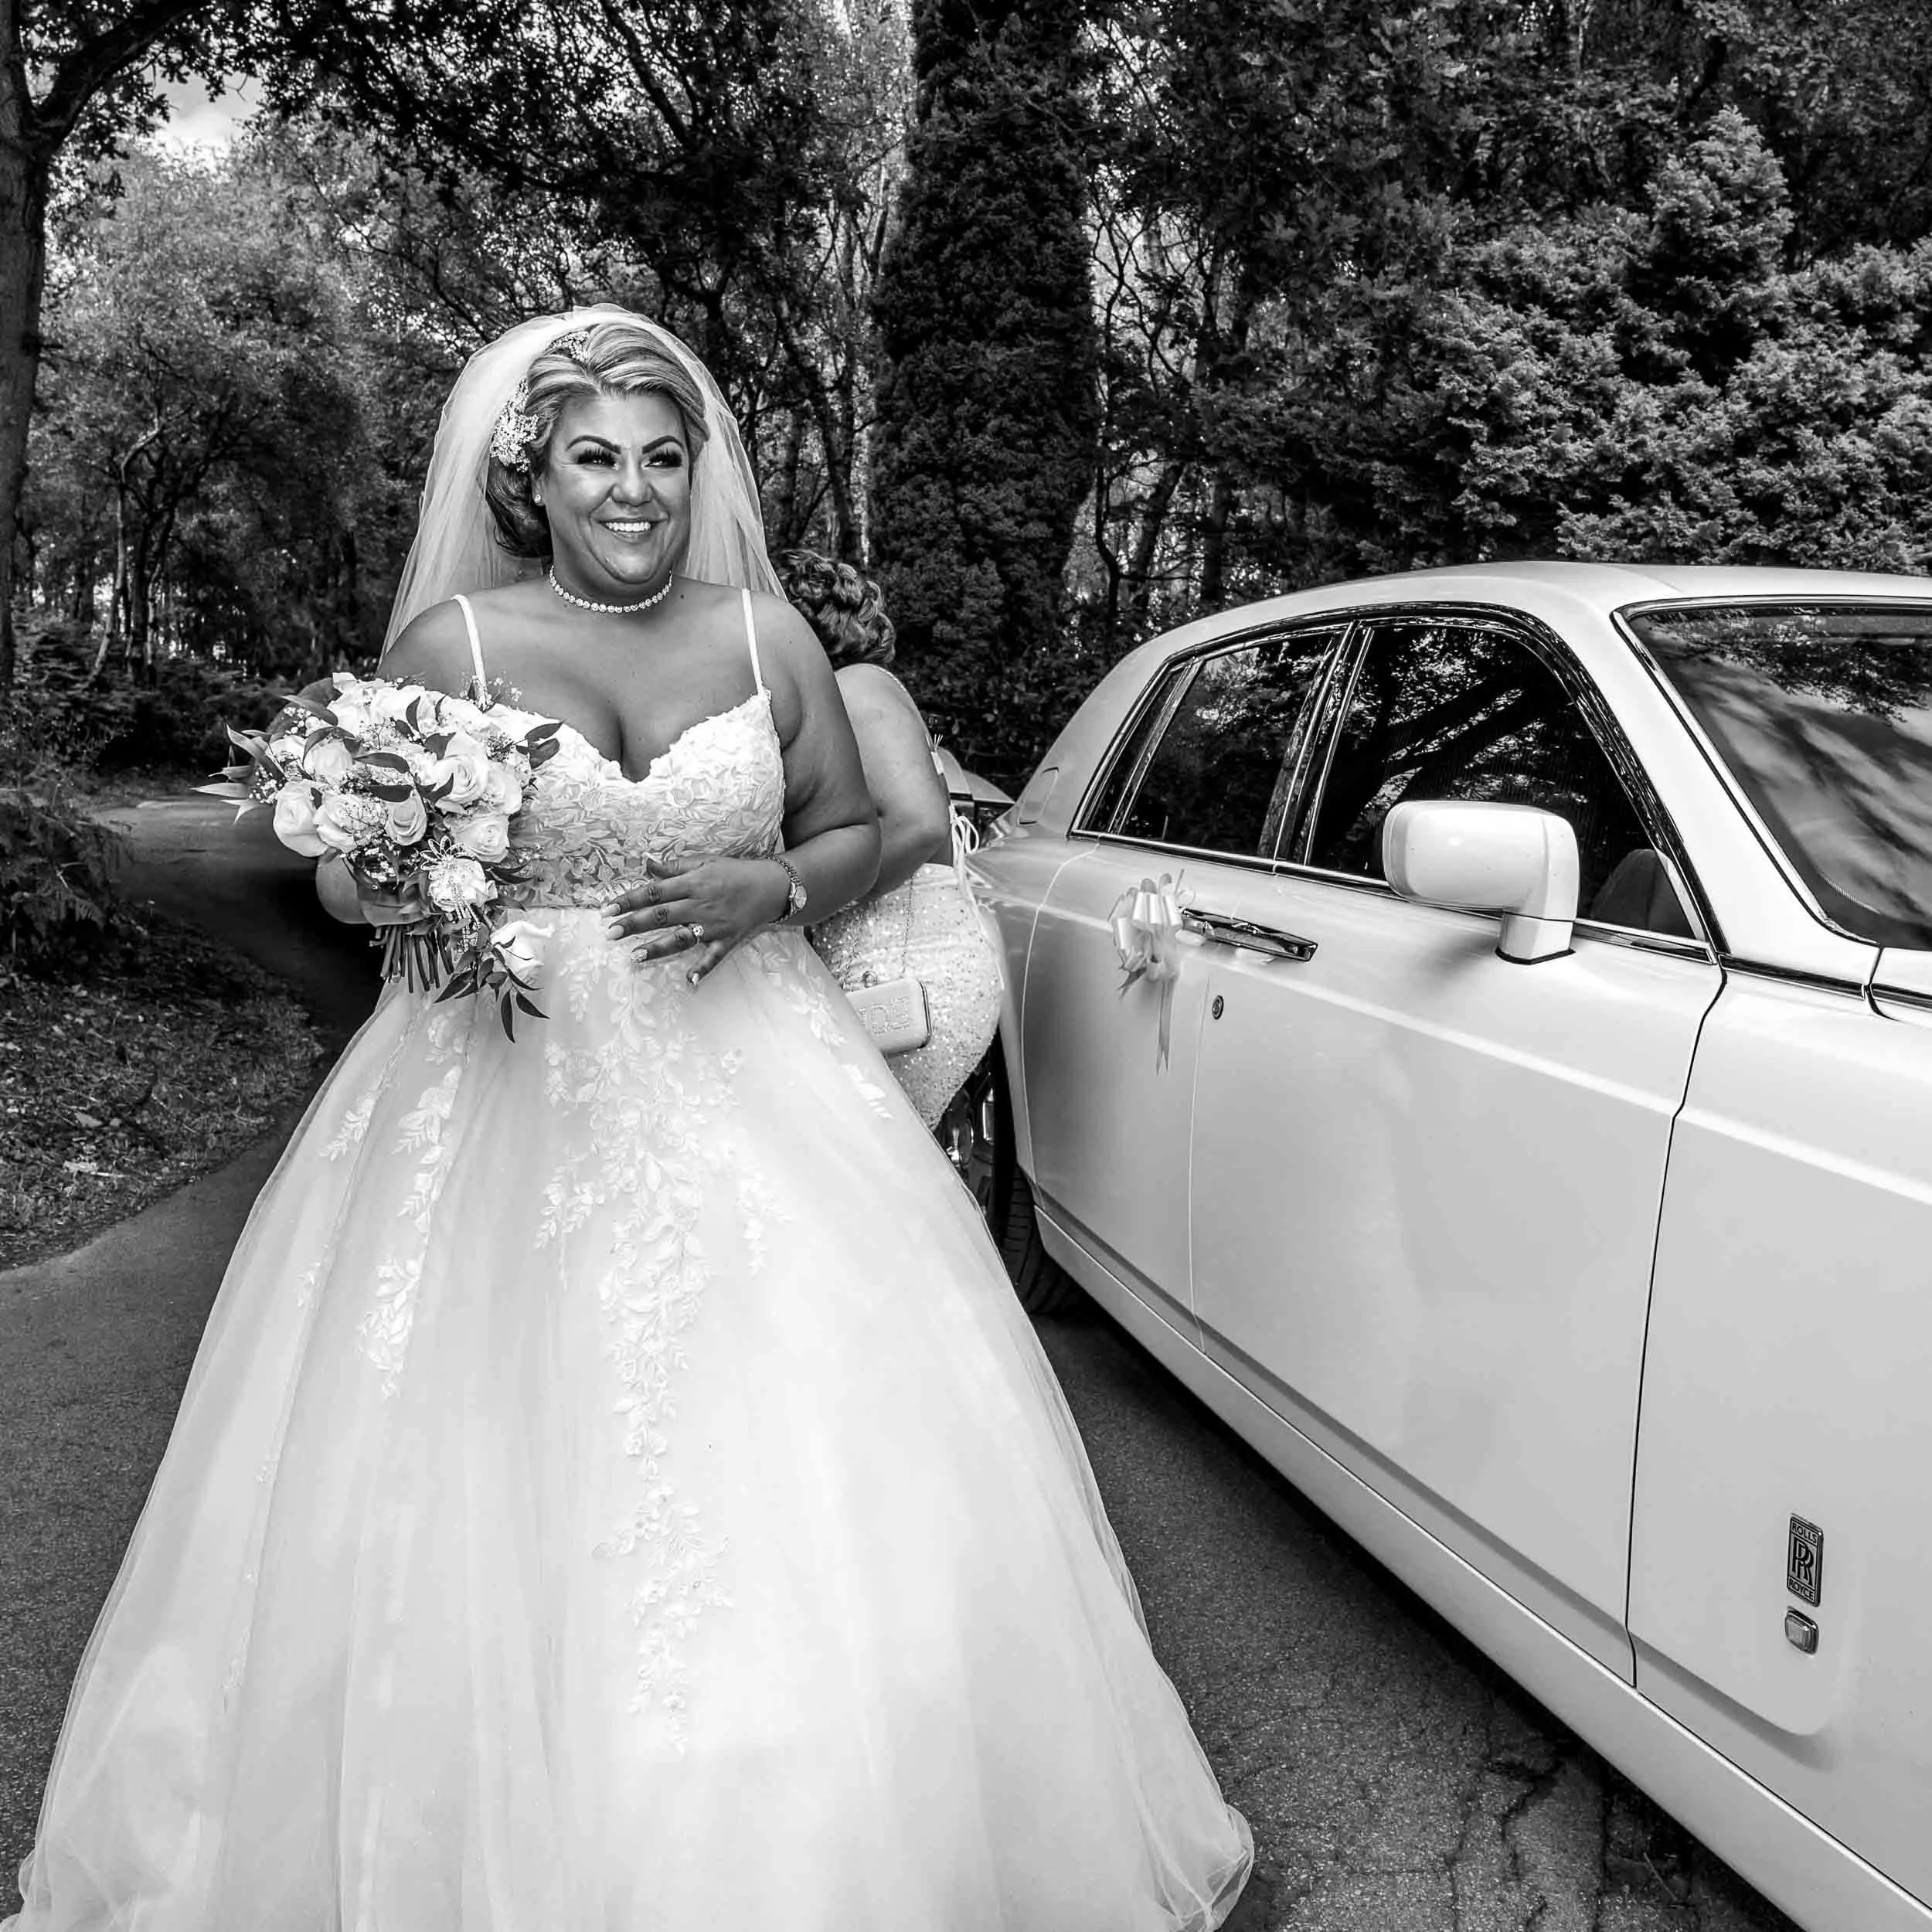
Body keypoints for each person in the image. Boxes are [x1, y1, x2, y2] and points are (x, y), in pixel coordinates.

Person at [5, 310, 1252, 1932]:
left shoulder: (764, 640)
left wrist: (775, 884)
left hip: (757, 1070)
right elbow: (331, 872)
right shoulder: (450, 646)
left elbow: (879, 832)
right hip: (496, 1086)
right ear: (532, 473)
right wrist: (385, 869)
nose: (636, 490)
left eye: (665, 458)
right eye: (597, 456)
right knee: (466, 1467)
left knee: (817, 1462)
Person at [776, 549, 1004, 1131]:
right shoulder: (845, 696)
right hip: (892, 972)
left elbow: (919, 824)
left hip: (911, 976)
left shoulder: (857, 688)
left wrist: (805, 904)